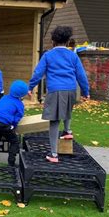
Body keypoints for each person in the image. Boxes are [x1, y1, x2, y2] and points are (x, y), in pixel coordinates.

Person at [28, 26, 90, 163]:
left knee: (54, 122)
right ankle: (68, 131)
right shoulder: (73, 56)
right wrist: (86, 92)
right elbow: (81, 75)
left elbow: (38, 73)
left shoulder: (48, 55)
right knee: (67, 110)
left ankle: (54, 154)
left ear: (53, 41)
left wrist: (30, 86)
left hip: (55, 90)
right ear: (68, 41)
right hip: (71, 90)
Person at [0, 80, 28, 166]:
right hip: (4, 124)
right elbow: (18, 116)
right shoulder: (19, 104)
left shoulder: (4, 97)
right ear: (22, 95)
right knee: (14, 142)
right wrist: (13, 125)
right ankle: (11, 162)